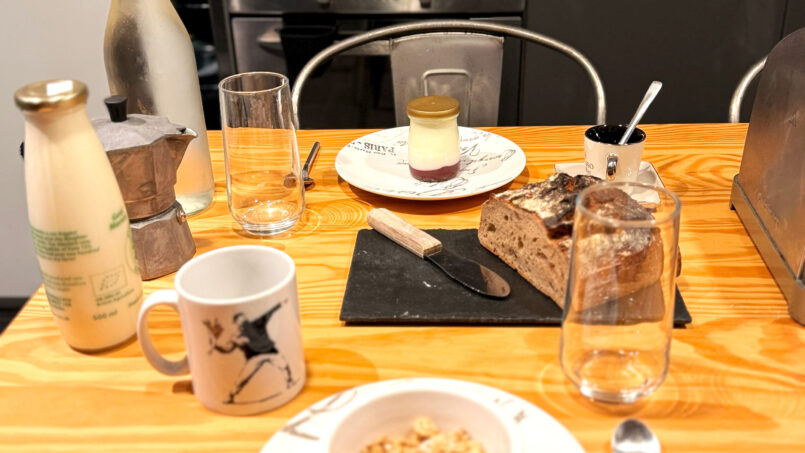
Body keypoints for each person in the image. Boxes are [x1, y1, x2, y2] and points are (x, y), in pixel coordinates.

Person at [204, 300, 295, 404]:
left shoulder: (257, 323)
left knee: (284, 365)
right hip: (253, 357)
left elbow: (270, 312)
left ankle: (290, 383)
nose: (242, 324)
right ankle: (231, 396)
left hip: (270, 351)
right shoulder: (237, 336)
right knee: (243, 378)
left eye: (243, 321)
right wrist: (216, 347)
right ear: (237, 324)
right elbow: (228, 349)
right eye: (239, 323)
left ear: (247, 319)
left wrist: (282, 302)